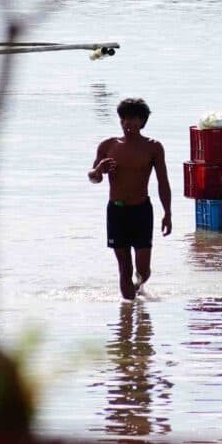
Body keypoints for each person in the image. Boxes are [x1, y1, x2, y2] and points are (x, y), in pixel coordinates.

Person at [89, 98, 172, 300]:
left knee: (143, 270)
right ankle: (127, 311)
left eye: (133, 119)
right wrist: (99, 170)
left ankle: (138, 287)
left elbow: (163, 182)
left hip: (141, 211)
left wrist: (167, 213)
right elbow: (94, 178)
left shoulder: (153, 147)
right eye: (124, 118)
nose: (128, 123)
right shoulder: (108, 145)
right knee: (124, 267)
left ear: (142, 121)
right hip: (116, 211)